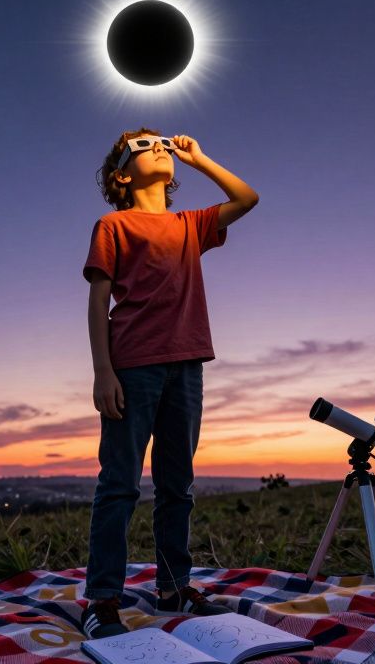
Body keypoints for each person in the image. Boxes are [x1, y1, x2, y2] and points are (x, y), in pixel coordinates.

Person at [78, 128, 260, 639]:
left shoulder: (190, 224)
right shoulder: (113, 226)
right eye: (143, 145)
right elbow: (98, 302)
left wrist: (199, 158)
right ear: (122, 175)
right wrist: (102, 371)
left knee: (177, 485)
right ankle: (103, 599)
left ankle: (174, 588)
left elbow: (247, 198)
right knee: (119, 484)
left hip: (187, 364)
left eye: (162, 142)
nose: (158, 146)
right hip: (132, 366)